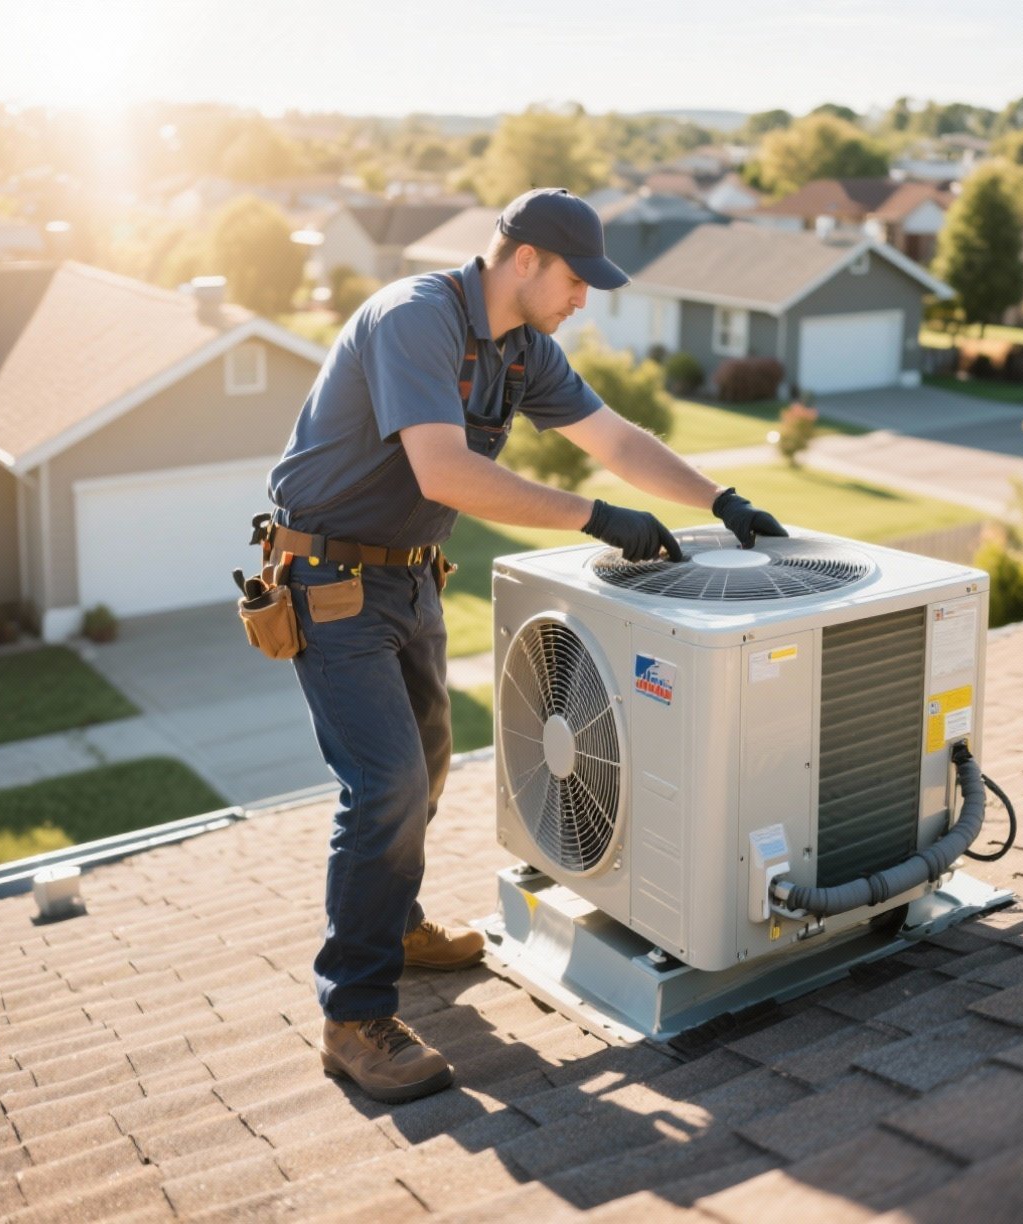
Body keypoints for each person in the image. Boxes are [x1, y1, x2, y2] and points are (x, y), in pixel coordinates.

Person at [266, 187, 784, 1103]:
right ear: (526, 260)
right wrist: (595, 519)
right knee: (383, 782)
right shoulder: (415, 319)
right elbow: (445, 468)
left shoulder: (520, 351)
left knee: (424, 769)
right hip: (328, 580)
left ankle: (395, 921)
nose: (586, 297)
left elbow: (612, 438)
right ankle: (352, 1014)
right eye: (578, 278)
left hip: (410, 574)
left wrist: (719, 501)